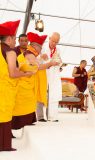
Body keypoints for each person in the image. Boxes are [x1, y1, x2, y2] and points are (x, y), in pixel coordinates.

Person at [0, 20, 33, 151]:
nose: (15, 42)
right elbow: (12, 73)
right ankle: (4, 145)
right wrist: (26, 73)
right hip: (6, 89)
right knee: (5, 115)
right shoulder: (10, 52)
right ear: (8, 38)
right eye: (14, 38)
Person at [12, 32, 55, 130]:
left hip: (27, 82)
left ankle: (28, 120)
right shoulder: (29, 54)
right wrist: (50, 63)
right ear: (35, 46)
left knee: (30, 102)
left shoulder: (30, 53)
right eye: (40, 48)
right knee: (24, 103)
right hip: (23, 83)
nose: (40, 50)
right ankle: (17, 123)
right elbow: (37, 67)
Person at [46, 32, 62, 122]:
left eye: (56, 42)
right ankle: (43, 116)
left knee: (55, 93)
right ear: (49, 38)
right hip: (45, 72)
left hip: (55, 74)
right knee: (45, 94)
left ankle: (53, 116)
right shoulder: (44, 48)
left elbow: (59, 60)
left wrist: (60, 63)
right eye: (53, 41)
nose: (54, 43)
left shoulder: (58, 50)